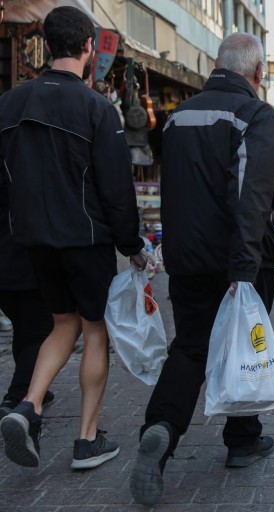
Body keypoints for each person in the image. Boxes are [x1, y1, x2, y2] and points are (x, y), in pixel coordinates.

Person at [129, 32, 274, 506]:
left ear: (217, 66)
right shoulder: (256, 115)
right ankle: (242, 440)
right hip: (237, 260)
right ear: (257, 73)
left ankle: (161, 427)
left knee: (191, 347)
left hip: (187, 259)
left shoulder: (177, 118)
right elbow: (251, 196)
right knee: (245, 344)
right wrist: (244, 269)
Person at [0, 6, 146, 470]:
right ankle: (87, 440)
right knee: (94, 329)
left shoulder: (9, 103)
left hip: (32, 239)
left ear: (46, 44)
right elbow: (117, 189)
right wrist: (132, 245)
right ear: (88, 46)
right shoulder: (96, 108)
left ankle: (29, 405)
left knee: (62, 324)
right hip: (86, 239)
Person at [0, 184, 55, 420]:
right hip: (27, 260)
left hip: (8, 264)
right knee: (38, 333)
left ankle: (36, 387)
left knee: (24, 329)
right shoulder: (21, 167)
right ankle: (18, 397)